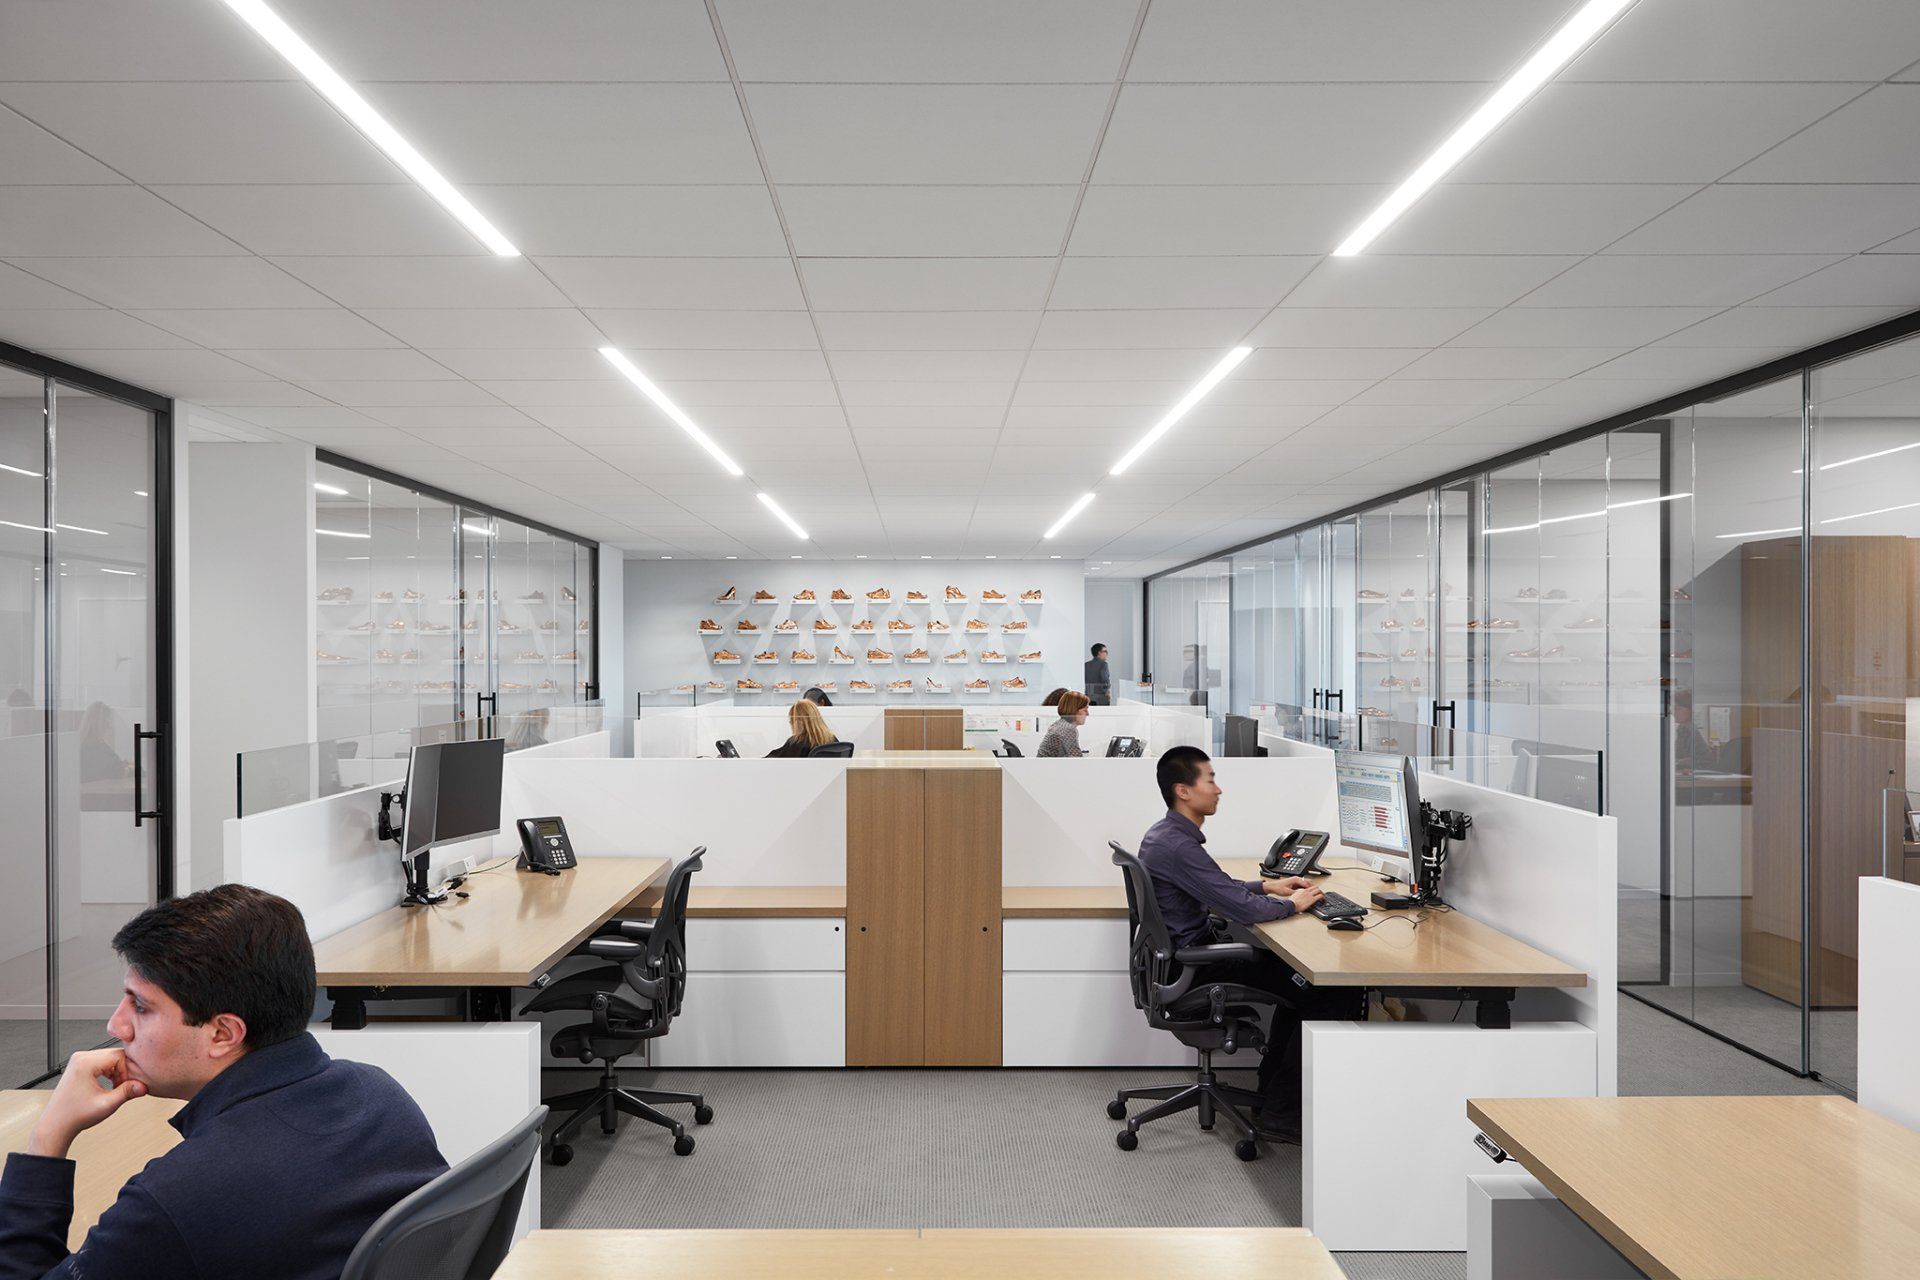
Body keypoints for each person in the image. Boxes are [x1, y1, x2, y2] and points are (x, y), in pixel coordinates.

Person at [0, 884, 447, 1280]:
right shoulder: (380, 1096)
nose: (116, 1024)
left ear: (223, 1034)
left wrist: (48, 1138)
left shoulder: (174, 1200)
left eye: (141, 1007)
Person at [1136, 746, 1363, 1143]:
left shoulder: (1166, 836)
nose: (1218, 789)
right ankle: (1281, 1111)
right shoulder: (1178, 846)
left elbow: (1217, 887)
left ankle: (1272, 1095)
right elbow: (1240, 909)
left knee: (1302, 987)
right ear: (1183, 791)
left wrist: (1267, 885)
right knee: (1326, 990)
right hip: (1196, 966)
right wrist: (1291, 904)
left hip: (1180, 960)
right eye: (1209, 779)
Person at [766, 697, 837, 757]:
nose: (790, 723)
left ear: (800, 721)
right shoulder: (833, 740)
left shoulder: (796, 742)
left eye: (792, 719)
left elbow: (771, 762)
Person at [1038, 691, 1089, 757]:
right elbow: (1077, 760)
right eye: (1085, 710)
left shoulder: (1060, 724)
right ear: (1074, 710)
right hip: (1048, 767)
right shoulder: (1068, 729)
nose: (1088, 714)